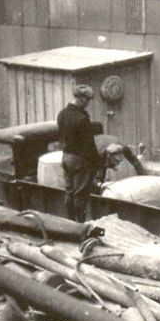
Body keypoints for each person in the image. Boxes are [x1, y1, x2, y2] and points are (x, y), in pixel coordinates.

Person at [57, 85, 100, 223]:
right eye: (87, 101)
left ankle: (70, 222)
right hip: (80, 161)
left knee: (69, 192)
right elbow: (89, 146)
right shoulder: (82, 119)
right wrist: (98, 165)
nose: (88, 104)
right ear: (81, 99)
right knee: (80, 197)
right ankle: (80, 227)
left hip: (66, 158)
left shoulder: (62, 114)